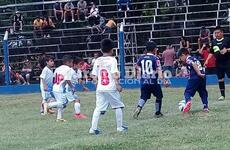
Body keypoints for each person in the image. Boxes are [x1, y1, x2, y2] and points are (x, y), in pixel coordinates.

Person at [89, 39, 127, 135]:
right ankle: (119, 127)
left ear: (101, 50)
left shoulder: (97, 60)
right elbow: (114, 73)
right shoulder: (112, 60)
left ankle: (93, 129)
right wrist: (117, 84)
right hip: (110, 87)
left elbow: (93, 75)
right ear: (112, 50)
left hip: (100, 88)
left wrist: (97, 81)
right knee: (118, 106)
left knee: (98, 108)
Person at [133, 41, 167, 119]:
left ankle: (139, 107)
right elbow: (159, 69)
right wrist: (163, 80)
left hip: (144, 81)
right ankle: (157, 112)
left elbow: (136, 66)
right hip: (153, 81)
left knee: (143, 97)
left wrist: (138, 73)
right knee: (159, 96)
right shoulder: (155, 58)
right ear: (154, 49)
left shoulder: (141, 57)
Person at [44, 55, 74, 122]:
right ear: (68, 62)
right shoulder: (68, 69)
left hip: (55, 87)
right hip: (60, 88)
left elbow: (54, 78)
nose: (72, 64)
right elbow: (67, 80)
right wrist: (72, 87)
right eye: (71, 62)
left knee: (61, 103)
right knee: (62, 103)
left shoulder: (58, 68)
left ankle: (59, 118)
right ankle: (48, 105)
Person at [177, 48, 208, 113]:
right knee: (203, 92)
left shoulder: (188, 59)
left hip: (195, 77)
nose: (180, 59)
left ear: (183, 55)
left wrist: (198, 73)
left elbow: (193, 64)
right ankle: (205, 107)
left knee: (187, 92)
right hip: (202, 77)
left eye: (180, 57)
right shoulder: (194, 58)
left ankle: (188, 102)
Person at [209, 26, 230, 101]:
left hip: (228, 62)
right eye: (215, 33)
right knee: (220, 79)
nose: (217, 34)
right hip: (218, 63)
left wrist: (227, 50)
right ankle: (222, 95)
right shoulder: (213, 42)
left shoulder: (227, 39)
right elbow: (211, 52)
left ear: (222, 33)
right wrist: (207, 61)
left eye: (218, 33)